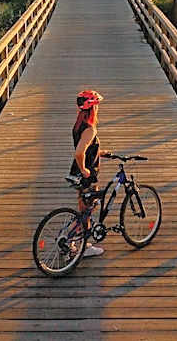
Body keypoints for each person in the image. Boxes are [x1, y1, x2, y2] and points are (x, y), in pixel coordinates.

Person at [71, 89, 106, 257]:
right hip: (86, 175)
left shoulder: (78, 124)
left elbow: (85, 146)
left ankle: (77, 241)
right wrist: (85, 170)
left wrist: (100, 151)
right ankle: (81, 245)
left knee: (84, 208)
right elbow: (79, 152)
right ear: (92, 109)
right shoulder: (90, 129)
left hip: (75, 173)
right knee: (88, 210)